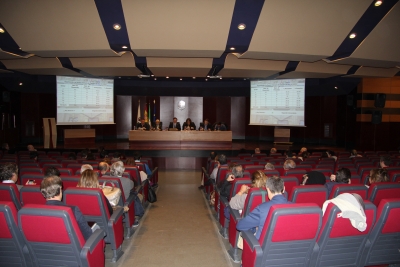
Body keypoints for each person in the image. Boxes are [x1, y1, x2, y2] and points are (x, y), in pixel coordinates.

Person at [40, 175, 92, 241]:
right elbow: (88, 235)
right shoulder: (73, 210)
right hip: (75, 249)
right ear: (60, 190)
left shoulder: (34, 213)